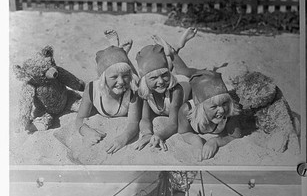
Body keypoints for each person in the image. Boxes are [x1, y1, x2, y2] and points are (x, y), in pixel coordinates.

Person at [152, 28, 242, 161]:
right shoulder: (186, 110)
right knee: (181, 73)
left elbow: (236, 135)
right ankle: (174, 50)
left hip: (208, 85)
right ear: (200, 106)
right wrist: (196, 141)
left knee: (190, 73)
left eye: (224, 104)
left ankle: (174, 51)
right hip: (186, 88)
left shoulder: (231, 109)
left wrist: (215, 142)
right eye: (214, 107)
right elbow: (184, 132)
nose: (222, 110)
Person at [75, 31, 142, 155]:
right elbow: (79, 119)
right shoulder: (91, 89)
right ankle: (119, 52)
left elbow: (134, 123)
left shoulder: (132, 93)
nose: (121, 82)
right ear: (103, 78)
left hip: (133, 83)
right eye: (114, 77)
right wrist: (86, 131)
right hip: (103, 80)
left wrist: (123, 138)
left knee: (139, 81)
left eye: (125, 76)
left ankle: (121, 54)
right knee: (113, 68)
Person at [134, 40, 188, 152]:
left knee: (186, 72)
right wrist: (147, 134)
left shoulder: (176, 91)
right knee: (160, 69)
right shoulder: (146, 92)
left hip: (185, 83)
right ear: (145, 81)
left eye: (165, 75)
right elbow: (145, 118)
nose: (160, 82)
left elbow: (173, 124)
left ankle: (176, 48)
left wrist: (159, 135)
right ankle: (172, 50)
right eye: (153, 78)